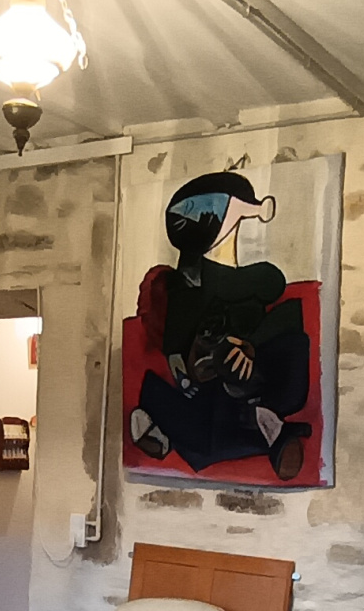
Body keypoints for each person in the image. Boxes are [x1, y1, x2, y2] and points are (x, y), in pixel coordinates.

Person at [128, 171, 313, 480]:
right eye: (236, 209)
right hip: (214, 385)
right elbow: (176, 351)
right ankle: (270, 431)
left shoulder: (251, 278)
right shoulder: (188, 288)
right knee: (210, 419)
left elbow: (273, 285)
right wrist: (191, 372)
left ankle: (172, 432)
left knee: (287, 348)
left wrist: (251, 347)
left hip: (256, 372)